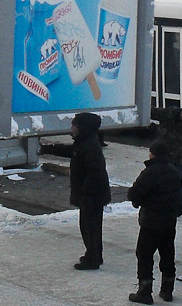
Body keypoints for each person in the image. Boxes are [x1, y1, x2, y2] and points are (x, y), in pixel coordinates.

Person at [127, 140, 182, 304]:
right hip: (169, 222)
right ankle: (167, 290)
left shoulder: (150, 172)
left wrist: (139, 201)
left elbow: (134, 193)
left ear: (153, 154)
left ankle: (145, 291)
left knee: (144, 255)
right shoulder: (174, 171)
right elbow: (180, 199)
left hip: (151, 222)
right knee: (167, 255)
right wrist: (174, 212)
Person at [69, 112, 111, 270]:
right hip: (92, 194)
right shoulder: (85, 142)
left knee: (89, 227)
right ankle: (94, 254)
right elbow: (73, 153)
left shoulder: (89, 146)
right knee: (91, 226)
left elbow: (94, 172)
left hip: (92, 195)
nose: (72, 128)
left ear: (82, 128)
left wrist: (86, 195)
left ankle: (93, 258)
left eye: (74, 125)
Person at [154, 102, 182, 172]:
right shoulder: (171, 112)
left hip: (178, 159)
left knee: (174, 177)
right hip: (162, 153)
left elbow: (181, 145)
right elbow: (156, 113)